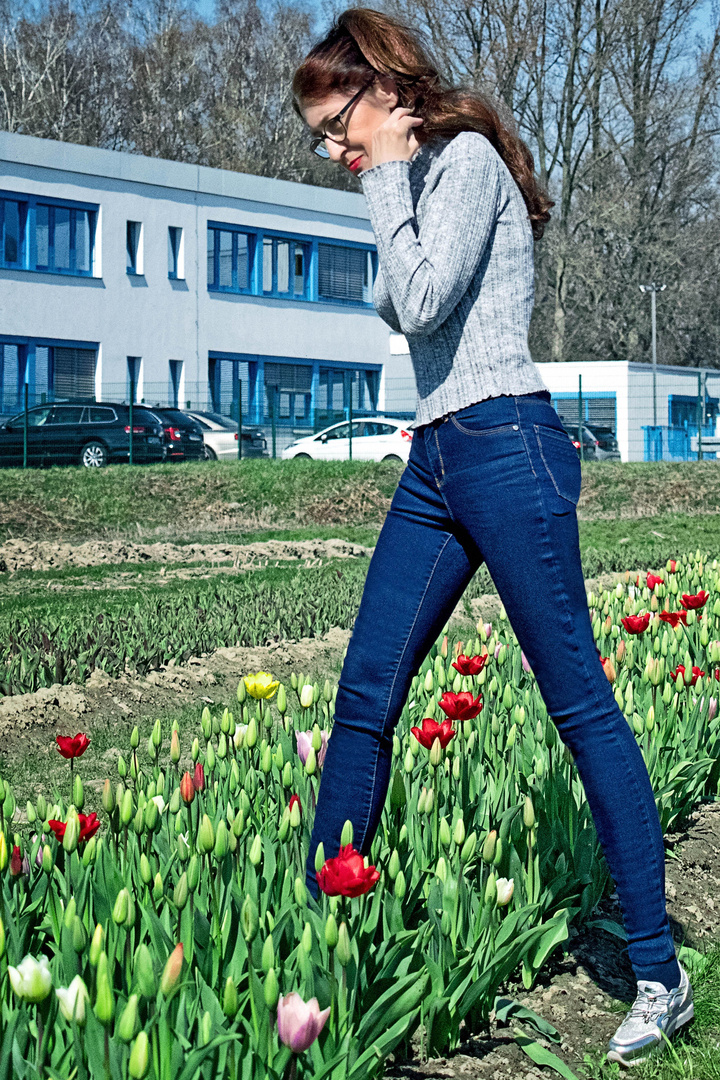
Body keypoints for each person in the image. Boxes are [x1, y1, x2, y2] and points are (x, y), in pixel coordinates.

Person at [292, 7, 693, 1068]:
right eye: (321, 137)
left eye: (335, 123)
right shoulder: (418, 180)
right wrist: (389, 179)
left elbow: (417, 301)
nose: (333, 149)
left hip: (508, 445)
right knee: (364, 698)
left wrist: (389, 171)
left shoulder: (463, 159)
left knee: (580, 707)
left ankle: (659, 969)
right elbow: (397, 296)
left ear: (382, 88)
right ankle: (317, 944)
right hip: (433, 459)